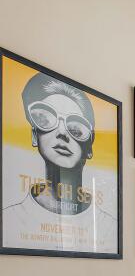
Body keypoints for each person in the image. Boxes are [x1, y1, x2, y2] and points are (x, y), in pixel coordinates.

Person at [1, 71, 117, 253]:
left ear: (89, 146)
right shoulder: (9, 219)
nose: (62, 133)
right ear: (34, 135)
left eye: (76, 128)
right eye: (46, 119)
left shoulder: (110, 227)